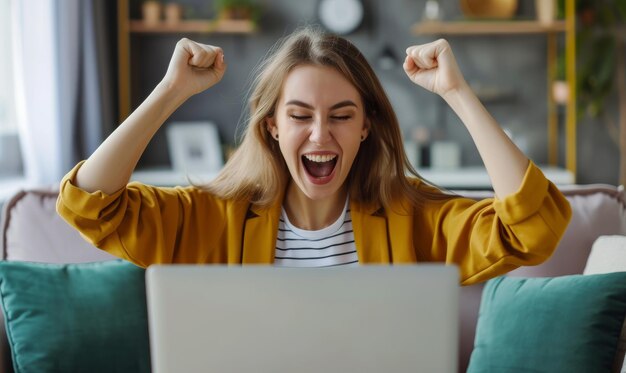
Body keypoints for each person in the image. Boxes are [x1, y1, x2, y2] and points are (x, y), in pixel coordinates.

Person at [57, 27, 571, 285]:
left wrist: (458, 92)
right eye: (300, 115)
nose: (320, 134)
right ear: (272, 128)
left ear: (367, 127)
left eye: (342, 115)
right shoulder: (211, 218)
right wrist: (170, 91)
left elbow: (533, 229)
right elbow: (89, 205)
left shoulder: (414, 221)